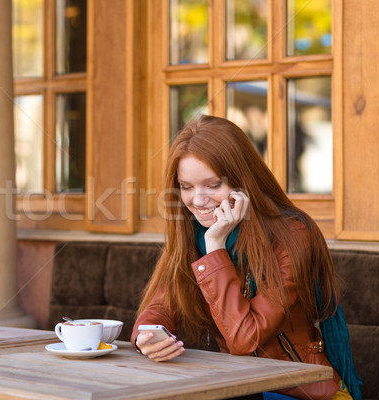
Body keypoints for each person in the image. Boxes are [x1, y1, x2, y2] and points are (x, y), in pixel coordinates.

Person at [131, 115, 362, 400]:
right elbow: (160, 309)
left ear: (243, 181)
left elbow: (244, 338)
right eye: (187, 187)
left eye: (213, 184)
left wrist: (215, 245)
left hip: (300, 391)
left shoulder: (292, 233)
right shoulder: (190, 234)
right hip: (240, 387)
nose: (198, 200)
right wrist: (147, 337)